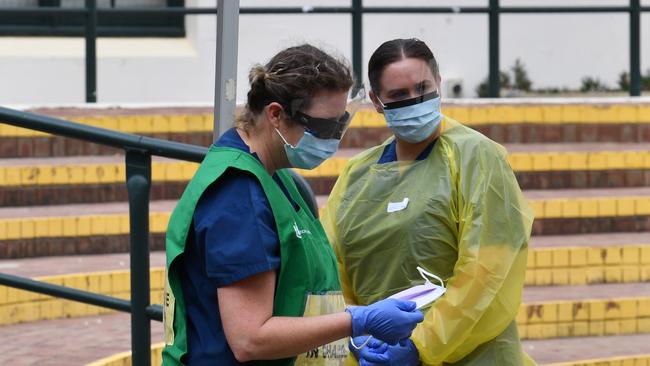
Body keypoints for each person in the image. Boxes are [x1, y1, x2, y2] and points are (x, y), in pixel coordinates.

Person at [162, 44, 424, 366]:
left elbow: (296, 298)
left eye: (340, 125)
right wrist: (357, 321)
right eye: (325, 127)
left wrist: (343, 340)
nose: (334, 139)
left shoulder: (274, 175)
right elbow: (250, 338)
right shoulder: (238, 195)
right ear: (276, 114)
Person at [322, 38, 536, 365]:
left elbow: (488, 274)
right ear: (377, 102)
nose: (414, 100)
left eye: (422, 87)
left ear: (439, 85)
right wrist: (356, 331)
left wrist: (420, 345)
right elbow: (332, 268)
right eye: (398, 95)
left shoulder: (478, 157)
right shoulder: (357, 174)